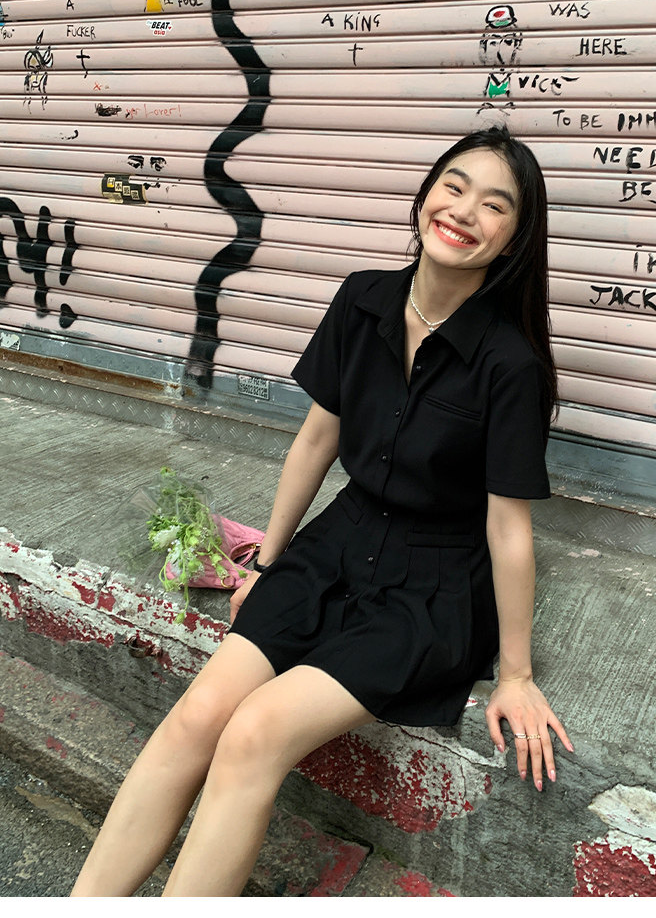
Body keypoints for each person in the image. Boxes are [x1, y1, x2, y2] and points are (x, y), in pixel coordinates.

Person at [71, 125, 573, 898]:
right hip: (335, 544)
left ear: (513, 239)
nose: (464, 210)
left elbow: (508, 528)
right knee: (198, 715)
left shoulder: (510, 363)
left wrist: (516, 674)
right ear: (426, 194)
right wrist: (268, 566)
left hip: (431, 586)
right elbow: (315, 440)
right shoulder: (362, 298)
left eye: (494, 205)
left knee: (254, 733)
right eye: (454, 186)